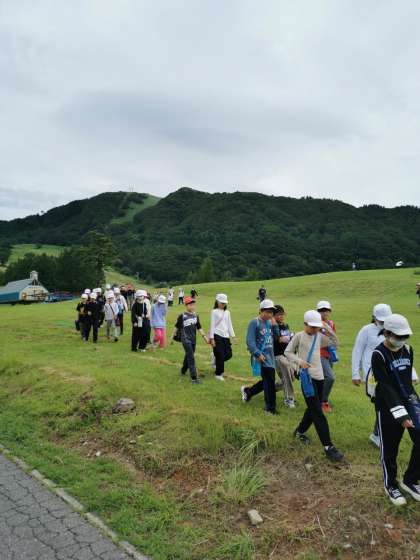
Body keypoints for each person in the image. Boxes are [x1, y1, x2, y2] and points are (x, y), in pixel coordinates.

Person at [371, 313, 420, 506]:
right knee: (390, 447)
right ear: (387, 333)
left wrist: (415, 405)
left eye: (405, 336)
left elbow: (407, 382)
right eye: (398, 336)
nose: (402, 340)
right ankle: (391, 485)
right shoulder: (378, 354)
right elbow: (386, 387)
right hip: (387, 404)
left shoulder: (408, 349)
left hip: (409, 399)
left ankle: (410, 480)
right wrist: (401, 415)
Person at [285, 310, 345, 462]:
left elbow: (335, 342)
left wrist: (326, 327)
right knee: (318, 413)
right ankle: (328, 447)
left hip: (319, 377)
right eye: (312, 326)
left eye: (317, 327)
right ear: (305, 324)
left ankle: (299, 432)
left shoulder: (319, 336)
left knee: (313, 408)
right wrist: (299, 362)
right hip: (307, 379)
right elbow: (288, 352)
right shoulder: (299, 336)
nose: (314, 329)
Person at [351, 303, 393, 447]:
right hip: (371, 374)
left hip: (389, 372)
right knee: (383, 402)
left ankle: (377, 433)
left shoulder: (392, 330)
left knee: (386, 403)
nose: (383, 323)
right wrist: (355, 374)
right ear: (374, 317)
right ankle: (377, 434)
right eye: (381, 320)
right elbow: (357, 351)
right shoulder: (366, 330)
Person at [241, 299, 280, 414]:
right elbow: (250, 341)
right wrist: (257, 354)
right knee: (269, 382)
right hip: (261, 357)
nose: (269, 314)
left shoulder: (270, 323)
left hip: (270, 357)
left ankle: (248, 391)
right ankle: (270, 408)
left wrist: (275, 325)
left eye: (271, 312)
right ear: (260, 311)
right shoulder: (255, 323)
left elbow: (276, 337)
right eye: (267, 312)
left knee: (267, 381)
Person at [173, 296, 209, 383]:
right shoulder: (182, 316)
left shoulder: (196, 315)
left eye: (193, 304)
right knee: (191, 357)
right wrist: (172, 337)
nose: (192, 306)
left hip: (193, 339)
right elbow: (176, 327)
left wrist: (205, 337)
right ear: (186, 305)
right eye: (190, 305)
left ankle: (183, 370)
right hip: (185, 339)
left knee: (189, 355)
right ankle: (194, 378)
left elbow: (199, 327)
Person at [273, 305, 297, 408]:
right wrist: (290, 337)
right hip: (277, 355)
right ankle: (289, 399)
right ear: (273, 316)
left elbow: (288, 340)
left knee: (291, 378)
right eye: (279, 314)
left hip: (286, 354)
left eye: (282, 314)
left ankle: (271, 388)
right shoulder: (273, 327)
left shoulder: (285, 326)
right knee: (287, 376)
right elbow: (279, 339)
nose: (281, 316)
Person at [209, 293, 236, 381]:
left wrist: (233, 336)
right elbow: (212, 325)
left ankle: (214, 357)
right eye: (222, 302)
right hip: (217, 335)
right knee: (220, 355)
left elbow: (229, 324)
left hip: (226, 336)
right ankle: (218, 374)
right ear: (217, 301)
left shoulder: (227, 312)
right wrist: (212, 338)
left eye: (224, 303)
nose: (223, 304)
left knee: (228, 354)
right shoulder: (214, 312)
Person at [316, 300, 337, 413]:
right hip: (319, 354)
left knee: (324, 378)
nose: (324, 312)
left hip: (329, 354)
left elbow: (334, 339)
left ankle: (320, 399)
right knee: (330, 377)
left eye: (326, 310)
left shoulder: (331, 324)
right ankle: (323, 401)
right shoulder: (316, 324)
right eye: (322, 310)